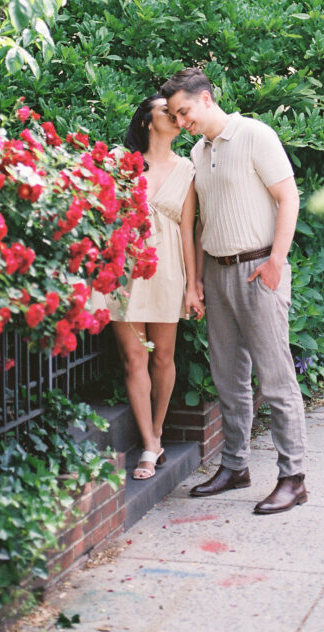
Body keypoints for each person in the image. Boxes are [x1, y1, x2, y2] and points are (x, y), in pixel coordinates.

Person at [160, 68, 308, 515]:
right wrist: (199, 280)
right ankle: (235, 466)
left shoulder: (254, 135)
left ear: (206, 99)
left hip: (258, 270)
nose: (181, 121)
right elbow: (204, 218)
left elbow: (289, 197)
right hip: (219, 275)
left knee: (276, 379)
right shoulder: (197, 152)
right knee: (228, 378)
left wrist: (276, 262)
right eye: (174, 115)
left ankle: (293, 478)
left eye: (184, 111)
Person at [93, 95, 204, 480]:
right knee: (133, 359)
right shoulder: (122, 165)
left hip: (169, 269)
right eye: (166, 112)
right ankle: (149, 443)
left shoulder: (187, 169)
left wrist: (193, 285)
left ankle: (158, 429)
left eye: (177, 114)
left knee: (162, 357)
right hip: (124, 271)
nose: (175, 118)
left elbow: (188, 232)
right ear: (146, 121)